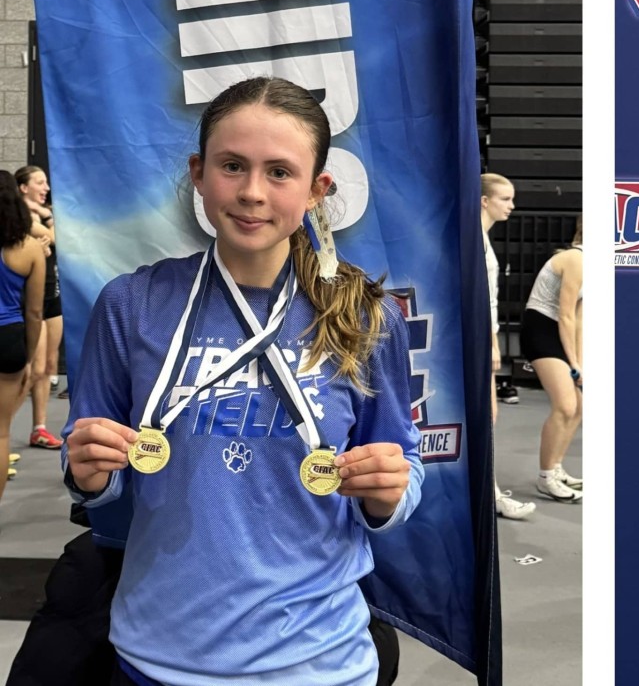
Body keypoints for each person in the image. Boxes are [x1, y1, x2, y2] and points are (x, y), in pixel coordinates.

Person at [62, 76, 423, 685]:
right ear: (199, 173)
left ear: (317, 190)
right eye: (232, 166)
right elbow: (86, 466)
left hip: (318, 661)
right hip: (159, 656)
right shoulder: (131, 304)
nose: (252, 192)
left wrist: (388, 492)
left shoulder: (365, 314)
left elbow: (405, 464)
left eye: (280, 172)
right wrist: (87, 469)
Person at [482, 173, 536, 519]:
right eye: (505, 199)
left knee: (489, 416)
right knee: (487, 416)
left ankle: (490, 494)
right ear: (484, 200)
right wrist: (492, 343)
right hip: (479, 340)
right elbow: (481, 301)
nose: (512, 206)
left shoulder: (481, 239)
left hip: (486, 336)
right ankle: (492, 496)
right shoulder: (472, 238)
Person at [521, 220, 583, 503]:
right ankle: (545, 477)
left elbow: (580, 320)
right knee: (565, 404)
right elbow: (567, 315)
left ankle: (556, 467)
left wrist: (581, 366)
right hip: (542, 329)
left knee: (580, 405)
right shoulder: (575, 258)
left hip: (561, 332)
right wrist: (573, 363)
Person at [0, 170, 43, 489]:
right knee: (1, 432)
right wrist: (28, 358)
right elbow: (34, 311)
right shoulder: (29, 248)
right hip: (9, 341)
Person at [16, 165, 65, 447]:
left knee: (48, 366)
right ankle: (5, 423)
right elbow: (57, 238)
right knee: (32, 369)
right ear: (23, 188)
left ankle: (40, 427)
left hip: (52, 293)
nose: (45, 187)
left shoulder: (44, 216)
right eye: (39, 182)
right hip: (30, 298)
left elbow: (59, 241)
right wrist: (48, 220)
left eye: (46, 181)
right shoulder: (20, 215)